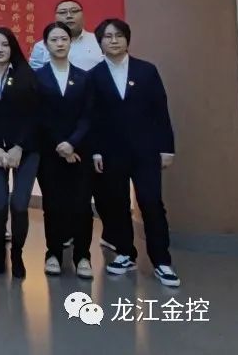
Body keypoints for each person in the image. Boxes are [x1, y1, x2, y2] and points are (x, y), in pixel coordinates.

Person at [89, 19, 180, 287]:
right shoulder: (94, 76)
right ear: (100, 43)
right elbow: (92, 118)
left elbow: (160, 111)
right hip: (111, 152)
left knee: (151, 202)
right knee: (116, 203)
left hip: (146, 150)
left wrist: (167, 148)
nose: (114, 40)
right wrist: (95, 151)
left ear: (127, 39)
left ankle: (162, 261)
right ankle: (125, 253)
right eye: (108, 37)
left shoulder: (146, 71)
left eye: (119, 35)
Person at [0, 27, 40, 279]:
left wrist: (19, 146)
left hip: (25, 150)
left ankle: (17, 254)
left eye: (5, 44)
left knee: (19, 204)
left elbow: (35, 115)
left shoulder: (26, 75)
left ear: (12, 47)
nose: (0, 49)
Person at [35, 22, 94, 279]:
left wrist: (72, 143)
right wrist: (60, 144)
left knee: (82, 205)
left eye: (64, 39)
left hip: (80, 151)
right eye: (54, 39)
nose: (59, 44)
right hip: (49, 152)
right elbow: (39, 115)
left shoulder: (84, 77)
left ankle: (83, 256)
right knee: (53, 204)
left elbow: (88, 115)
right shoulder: (37, 77)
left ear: (70, 43)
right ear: (45, 44)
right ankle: (54, 253)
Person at [29, 0, 103, 71]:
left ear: (83, 15)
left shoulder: (99, 41)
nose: (69, 16)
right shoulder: (42, 46)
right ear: (55, 18)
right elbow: (34, 75)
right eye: (62, 12)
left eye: (74, 11)